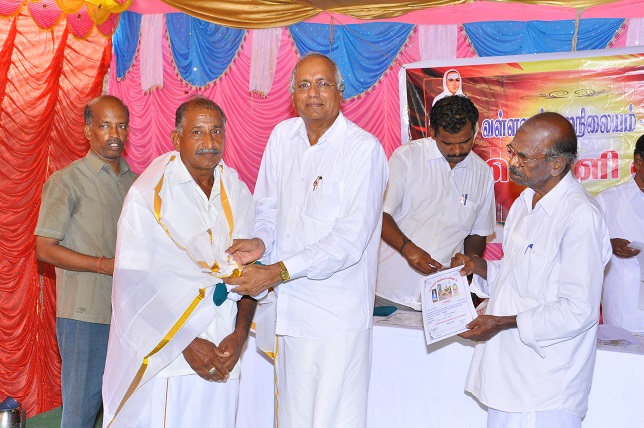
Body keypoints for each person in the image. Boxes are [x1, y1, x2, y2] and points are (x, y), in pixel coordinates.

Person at [224, 53, 388, 428]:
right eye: (304, 85)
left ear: (341, 92)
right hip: (289, 311)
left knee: (334, 419)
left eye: (323, 84)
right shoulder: (282, 137)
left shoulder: (363, 150)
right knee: (291, 418)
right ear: (293, 94)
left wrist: (276, 272)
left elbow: (349, 241)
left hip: (337, 318)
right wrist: (261, 243)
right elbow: (268, 208)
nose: (313, 93)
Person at [101, 97, 258, 427]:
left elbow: (250, 273)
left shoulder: (237, 191)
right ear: (176, 138)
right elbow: (134, 282)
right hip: (169, 355)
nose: (209, 141)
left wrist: (240, 335)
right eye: (197, 132)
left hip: (225, 349)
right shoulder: (149, 195)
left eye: (217, 131)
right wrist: (184, 342)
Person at [452, 112, 611, 428]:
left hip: (546, 385)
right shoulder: (525, 202)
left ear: (556, 165)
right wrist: (480, 268)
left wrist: (502, 322)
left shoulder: (580, 215)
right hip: (509, 373)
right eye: (512, 150)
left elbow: (578, 309)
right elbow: (521, 279)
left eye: (523, 157)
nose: (511, 162)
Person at [34, 95, 138, 428]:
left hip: (130, 318)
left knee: (125, 414)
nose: (115, 134)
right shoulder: (67, 181)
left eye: (121, 126)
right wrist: (101, 265)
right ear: (87, 131)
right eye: (105, 125)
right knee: (79, 415)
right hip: (85, 317)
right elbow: (44, 249)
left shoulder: (138, 185)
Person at [376, 95, 495, 310]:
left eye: (465, 141)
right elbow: (380, 214)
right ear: (432, 132)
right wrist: (408, 250)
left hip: (442, 300)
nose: (457, 151)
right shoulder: (407, 158)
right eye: (447, 143)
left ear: (475, 130)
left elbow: (477, 233)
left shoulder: (483, 174)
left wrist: (468, 265)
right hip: (388, 290)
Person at [596, 135, 644, 332]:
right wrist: (608, 245)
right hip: (624, 313)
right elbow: (582, 249)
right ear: (638, 161)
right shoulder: (608, 200)